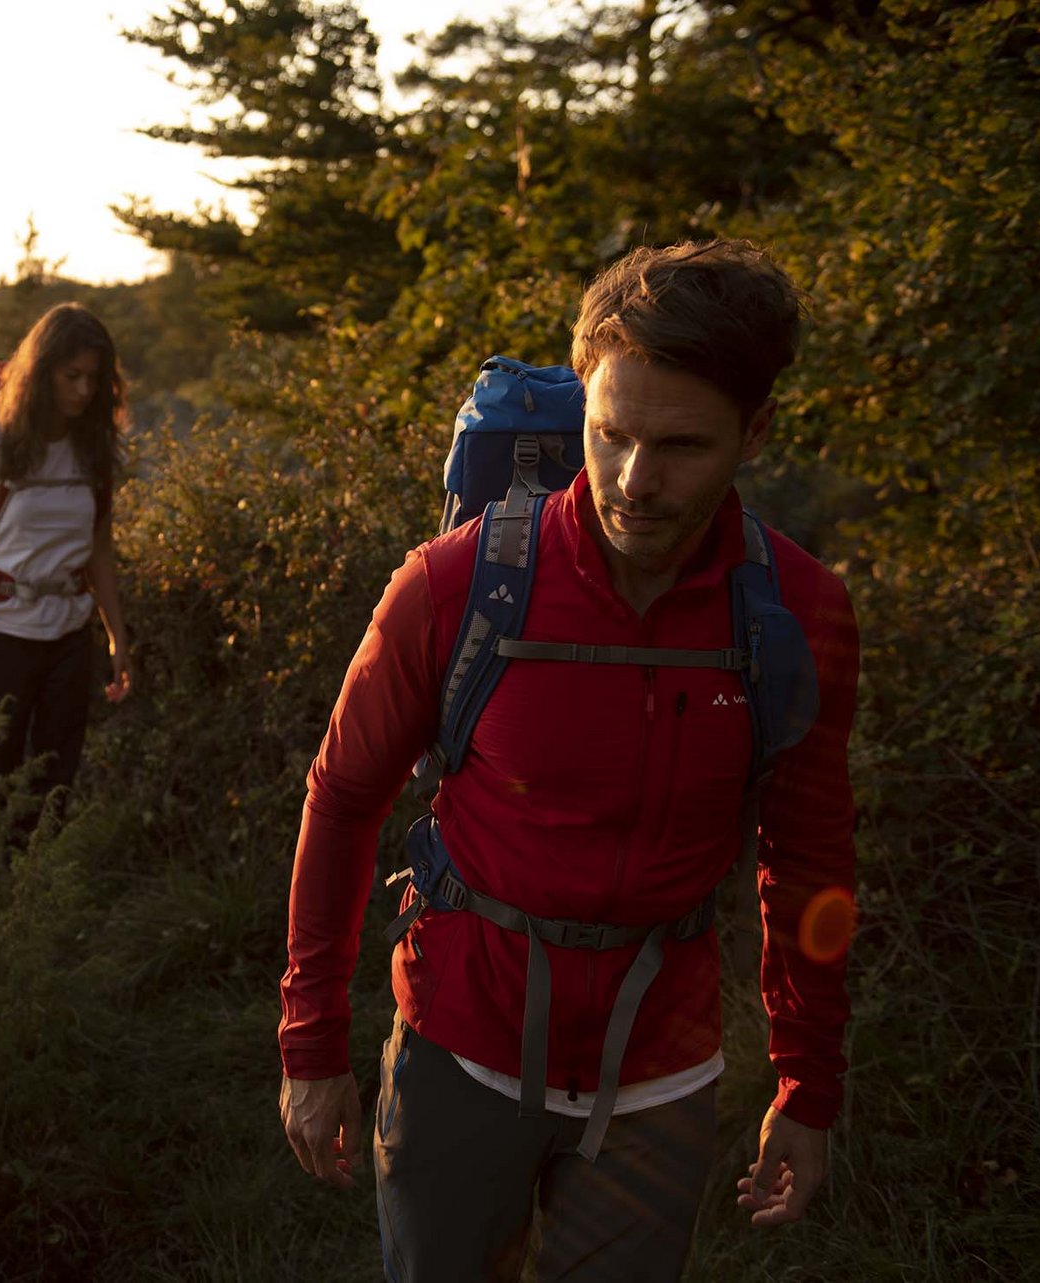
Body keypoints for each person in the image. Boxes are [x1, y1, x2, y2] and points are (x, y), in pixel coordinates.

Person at [276, 241, 861, 1280]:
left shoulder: (797, 615)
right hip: (460, 1048)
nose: (635, 482)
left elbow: (807, 857)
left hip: (661, 1077)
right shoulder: (453, 587)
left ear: (755, 431)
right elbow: (343, 798)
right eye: (610, 435)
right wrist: (311, 1042)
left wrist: (806, 1087)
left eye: (681, 444)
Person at [0, 302, 133, 802]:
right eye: (72, 376)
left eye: (94, 378)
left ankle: (44, 875)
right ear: (42, 372)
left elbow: (100, 552)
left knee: (56, 776)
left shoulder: (95, 451)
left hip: (70, 637)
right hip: (0, 637)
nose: (84, 390)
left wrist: (117, 638)